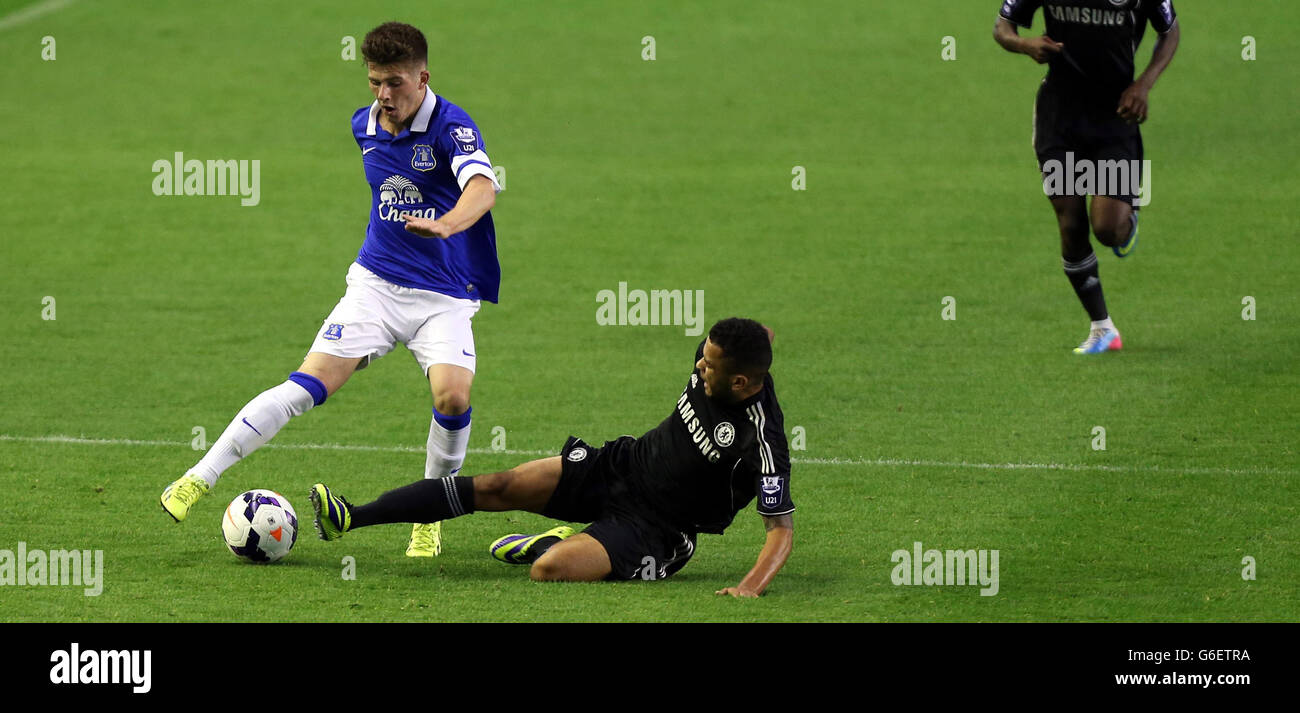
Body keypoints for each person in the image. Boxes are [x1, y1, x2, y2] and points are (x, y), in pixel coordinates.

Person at [161, 22, 504, 559]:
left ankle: (429, 514)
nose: (384, 95)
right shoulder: (363, 125)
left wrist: (448, 224)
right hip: (374, 287)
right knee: (306, 386)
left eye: (394, 83)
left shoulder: (452, 127)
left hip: (442, 297)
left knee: (453, 397)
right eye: (374, 83)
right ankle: (197, 479)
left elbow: (482, 186)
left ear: (423, 77)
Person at [309, 318, 795, 596]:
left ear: (740, 383)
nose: (698, 365)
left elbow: (780, 533)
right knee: (499, 485)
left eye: (708, 365)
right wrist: (763, 334)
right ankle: (351, 516)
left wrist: (750, 586)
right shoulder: (723, 356)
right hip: (622, 466)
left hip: (658, 528)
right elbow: (759, 337)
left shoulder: (762, 441)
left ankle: (547, 545)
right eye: (703, 355)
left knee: (551, 570)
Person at [994, 1, 1179, 353]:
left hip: (1116, 113)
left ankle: (1130, 212)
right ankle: (1102, 328)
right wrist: (1025, 44)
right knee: (1070, 221)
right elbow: (1002, 27)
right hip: (1059, 117)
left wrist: (1144, 85)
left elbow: (1170, 31)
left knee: (1109, 230)